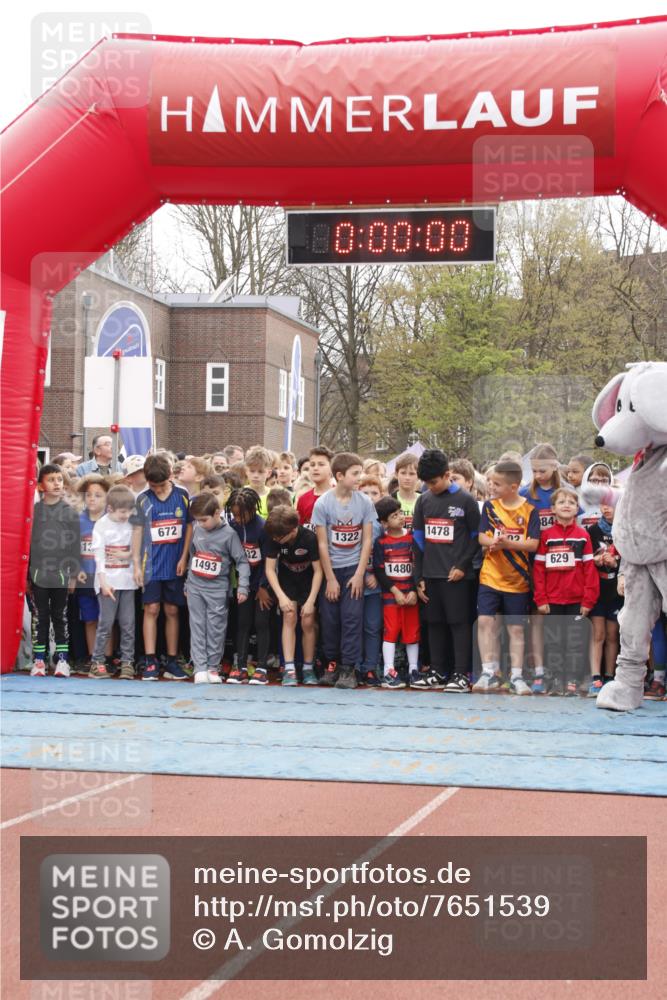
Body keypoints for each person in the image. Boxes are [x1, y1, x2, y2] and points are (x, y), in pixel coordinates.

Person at [413, 449, 480, 693]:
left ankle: (461, 674)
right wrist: (418, 576)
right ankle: (437, 671)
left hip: (457, 576)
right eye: (426, 483)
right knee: (434, 622)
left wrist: (462, 566)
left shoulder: (466, 500)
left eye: (434, 482)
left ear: (447, 475)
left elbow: (476, 538)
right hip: (431, 574)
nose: (430, 486)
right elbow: (419, 540)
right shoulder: (424, 500)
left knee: (458, 623)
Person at [473, 461, 540, 695]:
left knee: (516, 628)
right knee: (485, 622)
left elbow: (533, 544)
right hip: (490, 576)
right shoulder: (489, 507)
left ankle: (517, 675)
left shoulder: (530, 511)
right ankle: (488, 672)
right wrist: (492, 543)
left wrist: (508, 544)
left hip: (518, 580)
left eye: (497, 484)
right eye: (491, 482)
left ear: (513, 486)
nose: (492, 487)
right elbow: (482, 536)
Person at [312, 452, 377, 689]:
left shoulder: (365, 503)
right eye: (355, 473)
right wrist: (329, 578)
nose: (360, 478)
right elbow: (321, 543)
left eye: (360, 472)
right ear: (339, 476)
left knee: (352, 618)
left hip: (353, 568)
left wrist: (359, 574)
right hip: (332, 569)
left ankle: (348, 668)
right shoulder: (323, 504)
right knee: (330, 619)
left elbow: (367, 540)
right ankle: (332, 663)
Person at [533, 487, 600, 696]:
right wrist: (541, 598)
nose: (566, 505)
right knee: (554, 641)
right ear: (552, 509)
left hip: (576, 599)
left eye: (571, 502)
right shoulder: (546, 537)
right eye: (561, 502)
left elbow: (590, 570)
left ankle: (572, 679)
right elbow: (538, 570)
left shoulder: (583, 536)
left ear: (577, 509)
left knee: (574, 641)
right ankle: (555, 679)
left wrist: (588, 600)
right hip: (551, 600)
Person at [131, 454, 193, 681]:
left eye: (161, 485)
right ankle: (149, 659)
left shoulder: (183, 495)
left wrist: (184, 557)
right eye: (152, 485)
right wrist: (137, 565)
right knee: (151, 609)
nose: (157, 489)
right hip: (151, 565)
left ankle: (172, 659)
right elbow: (137, 531)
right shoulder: (142, 499)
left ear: (170, 477)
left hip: (175, 563)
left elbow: (188, 527)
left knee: (172, 610)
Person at [186, 491, 250, 685]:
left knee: (215, 629)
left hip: (217, 589)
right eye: (197, 520)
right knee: (197, 626)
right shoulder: (197, 530)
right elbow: (192, 556)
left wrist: (243, 587)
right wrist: (187, 583)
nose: (200, 524)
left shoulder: (229, 534)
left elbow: (242, 561)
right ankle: (200, 667)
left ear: (217, 513)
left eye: (204, 520)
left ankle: (213, 666)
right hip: (196, 587)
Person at [28, 464, 81, 676]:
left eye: (59, 479)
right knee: (40, 617)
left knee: (60, 617)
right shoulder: (34, 511)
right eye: (51, 479)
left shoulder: (69, 511)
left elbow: (75, 546)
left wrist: (73, 576)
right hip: (39, 573)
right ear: (41, 485)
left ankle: (62, 660)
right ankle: (39, 660)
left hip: (61, 573)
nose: (57, 483)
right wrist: (27, 576)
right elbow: (28, 544)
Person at [264, 505, 322, 686]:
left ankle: (307, 667)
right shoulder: (274, 536)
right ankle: (289, 668)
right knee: (289, 616)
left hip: (308, 581)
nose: (275, 539)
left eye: (279, 537)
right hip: (287, 580)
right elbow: (270, 570)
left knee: (307, 620)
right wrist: (281, 596)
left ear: (293, 530)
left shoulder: (309, 538)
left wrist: (311, 600)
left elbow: (319, 571)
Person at [89, 486, 138, 679]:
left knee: (128, 623)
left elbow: (138, 545)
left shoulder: (132, 522)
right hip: (108, 582)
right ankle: (97, 661)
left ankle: (127, 662)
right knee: (106, 623)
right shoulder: (102, 525)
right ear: (110, 509)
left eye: (129, 511)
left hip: (127, 581)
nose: (126, 516)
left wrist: (127, 554)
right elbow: (98, 554)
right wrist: (103, 581)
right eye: (122, 512)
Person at [226, 487, 273, 684]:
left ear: (253, 509)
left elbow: (268, 560)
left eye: (241, 515)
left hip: (261, 583)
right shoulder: (232, 527)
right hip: (242, 584)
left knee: (261, 622)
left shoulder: (263, 528)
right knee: (243, 623)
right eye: (234, 514)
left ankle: (262, 666)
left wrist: (263, 586)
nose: (237, 518)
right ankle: (241, 665)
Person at [373, 497, 420, 689]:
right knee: (390, 631)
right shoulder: (381, 542)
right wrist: (395, 592)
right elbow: (379, 570)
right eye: (394, 516)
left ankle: (413, 670)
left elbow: (417, 566)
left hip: (411, 596)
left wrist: (414, 591)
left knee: (412, 631)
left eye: (400, 513)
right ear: (384, 522)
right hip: (391, 596)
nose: (400, 517)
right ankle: (389, 671)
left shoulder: (412, 538)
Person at [587, 498, 623, 696]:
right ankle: (595, 677)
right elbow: (584, 559)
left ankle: (610, 676)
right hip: (597, 589)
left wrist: (615, 562)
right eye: (603, 504)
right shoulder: (592, 531)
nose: (606, 508)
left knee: (612, 635)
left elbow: (630, 557)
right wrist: (596, 559)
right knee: (597, 634)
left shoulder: (625, 528)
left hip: (617, 591)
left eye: (611, 504)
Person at [75, 474, 111, 668]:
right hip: (86, 578)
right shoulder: (79, 520)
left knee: (106, 621)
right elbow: (72, 549)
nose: (92, 499)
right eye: (88, 495)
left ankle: (107, 657)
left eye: (98, 495)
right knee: (90, 619)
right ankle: (92, 658)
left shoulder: (111, 520)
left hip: (106, 577)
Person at [297, 446, 334, 531]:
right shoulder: (303, 499)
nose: (315, 468)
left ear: (332, 468)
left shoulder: (340, 496)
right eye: (312, 465)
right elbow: (300, 531)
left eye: (321, 464)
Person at [392, 452, 420, 530]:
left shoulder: (425, 501)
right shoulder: (389, 501)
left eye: (412, 474)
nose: (407, 477)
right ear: (396, 474)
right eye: (403, 473)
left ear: (418, 476)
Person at [244, 445, 273, 519]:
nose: (256, 475)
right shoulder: (239, 495)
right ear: (246, 471)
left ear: (269, 473)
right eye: (252, 471)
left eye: (260, 472)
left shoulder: (273, 496)